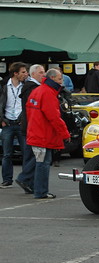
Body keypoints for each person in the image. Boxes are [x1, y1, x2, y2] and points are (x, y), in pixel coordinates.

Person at [25, 68, 70, 198]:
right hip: (43, 134)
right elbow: (54, 117)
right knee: (43, 164)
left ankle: (38, 190)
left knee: (40, 163)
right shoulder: (48, 93)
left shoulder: (37, 91)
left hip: (36, 132)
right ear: (52, 78)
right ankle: (41, 192)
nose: (62, 81)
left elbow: (29, 112)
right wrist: (65, 134)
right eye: (60, 78)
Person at [15, 64, 46, 194]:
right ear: (33, 74)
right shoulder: (33, 89)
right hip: (32, 127)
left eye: (44, 72)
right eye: (40, 72)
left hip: (28, 126)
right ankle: (25, 178)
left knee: (31, 155)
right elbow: (33, 110)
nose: (43, 75)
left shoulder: (30, 87)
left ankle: (29, 182)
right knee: (36, 155)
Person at [0, 62, 28, 188]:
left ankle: (25, 179)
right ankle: (7, 179)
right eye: (23, 72)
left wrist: (24, 119)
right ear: (15, 73)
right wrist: (1, 119)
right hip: (7, 122)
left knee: (26, 152)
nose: (25, 74)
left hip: (21, 122)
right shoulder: (4, 85)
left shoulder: (26, 86)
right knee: (6, 154)